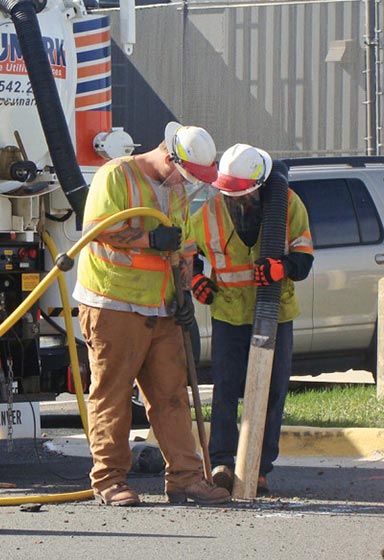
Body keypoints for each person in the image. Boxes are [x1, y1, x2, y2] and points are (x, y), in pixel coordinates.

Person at [73, 122, 231, 507]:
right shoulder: (116, 175)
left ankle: (186, 478)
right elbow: (95, 231)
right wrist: (148, 239)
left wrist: (185, 294)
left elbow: (183, 246)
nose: (187, 182)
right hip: (114, 304)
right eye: (186, 173)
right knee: (111, 395)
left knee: (171, 395)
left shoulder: (175, 189)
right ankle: (108, 480)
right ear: (167, 156)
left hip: (161, 306)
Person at [190, 143, 314, 495]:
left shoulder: (287, 205)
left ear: (260, 187)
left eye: (243, 196)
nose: (237, 202)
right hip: (228, 314)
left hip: (275, 314)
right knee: (227, 390)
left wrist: (282, 267)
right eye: (231, 196)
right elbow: (186, 250)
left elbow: (304, 258)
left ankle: (259, 467)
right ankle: (222, 463)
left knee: (273, 391)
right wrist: (196, 278)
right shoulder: (211, 211)